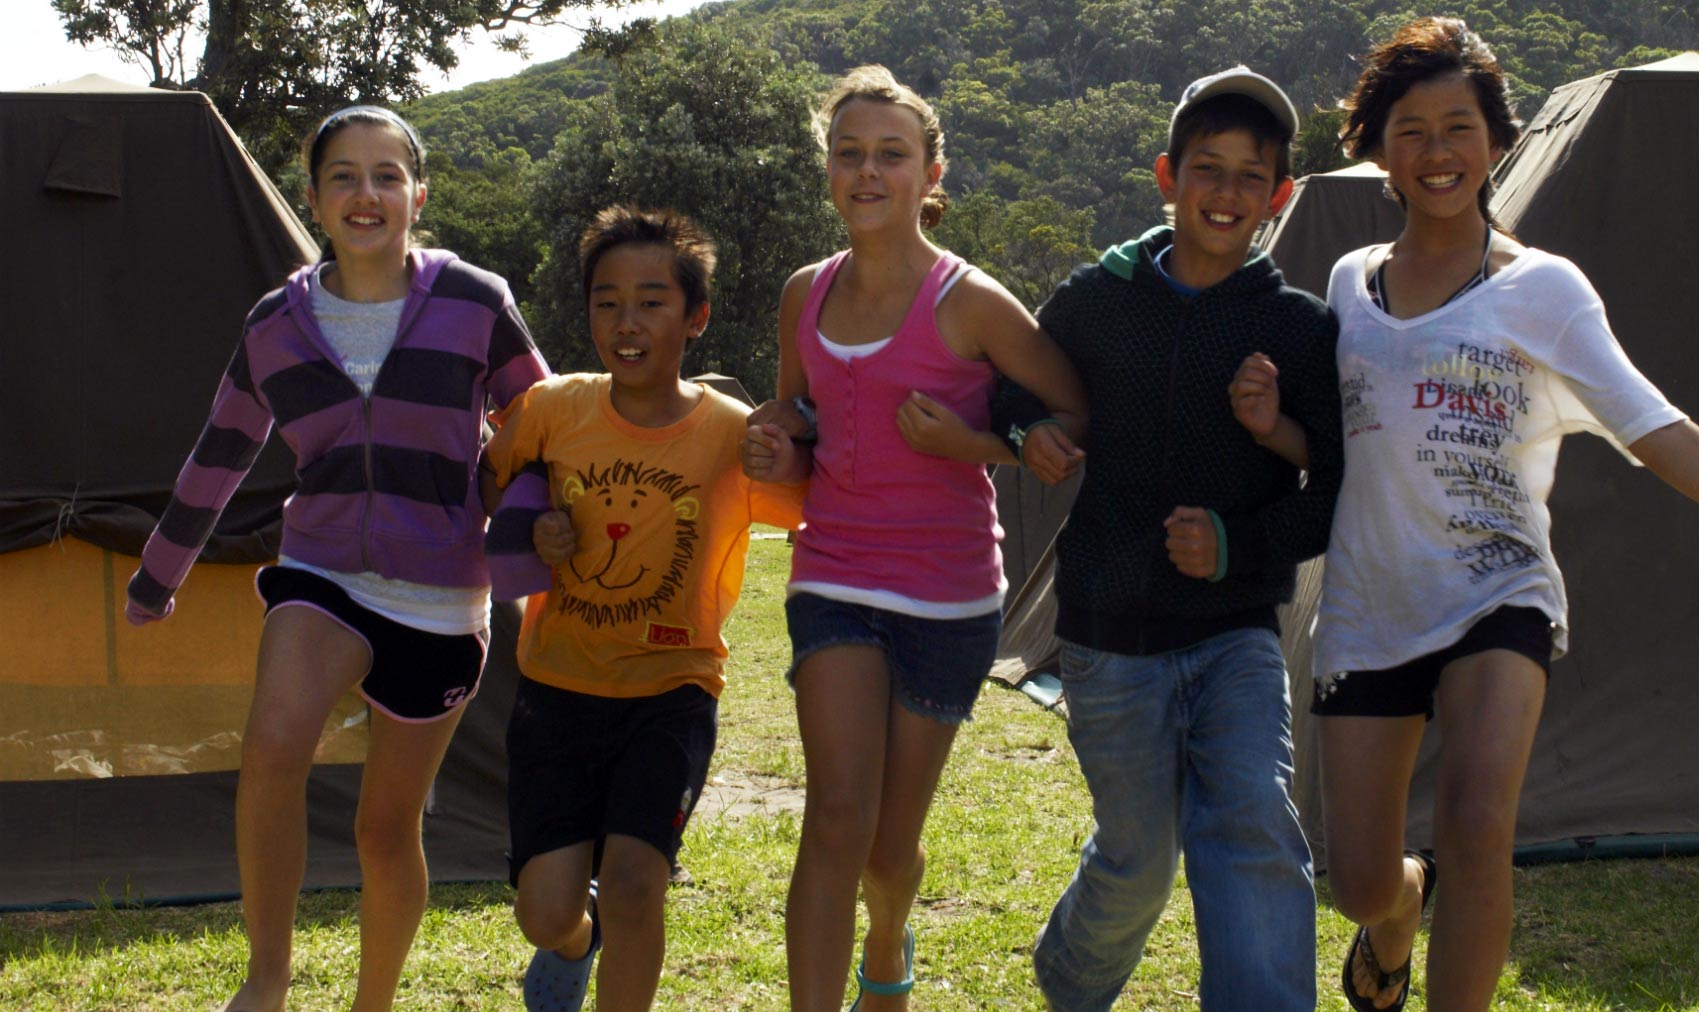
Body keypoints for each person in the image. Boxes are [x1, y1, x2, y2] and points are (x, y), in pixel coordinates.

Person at [1307, 17, 1699, 1012]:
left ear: (1497, 142)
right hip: (1369, 606)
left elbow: (1652, 424)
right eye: (1411, 130)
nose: (1438, 151)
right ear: (1378, 149)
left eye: (1460, 126)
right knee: (1356, 878)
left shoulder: (1542, 289)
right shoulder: (1347, 287)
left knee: (1479, 818)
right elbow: (1328, 445)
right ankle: (1400, 910)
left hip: (1499, 593)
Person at [124, 104, 549, 1012]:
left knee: (385, 828)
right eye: (345, 176)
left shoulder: (476, 301)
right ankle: (267, 983)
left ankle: (372, 1003)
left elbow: (543, 428)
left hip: (441, 597)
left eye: (387, 174)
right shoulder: (277, 322)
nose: (367, 193)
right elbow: (223, 449)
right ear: (314, 199)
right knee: (272, 749)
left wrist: (528, 554)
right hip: (322, 571)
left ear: (417, 195)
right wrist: (159, 573)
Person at [739, 64, 1087, 1012]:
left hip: (949, 594)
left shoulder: (971, 301)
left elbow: (1074, 408)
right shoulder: (802, 292)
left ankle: (887, 947)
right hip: (834, 574)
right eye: (848, 153)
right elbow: (797, 405)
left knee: (890, 852)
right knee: (835, 817)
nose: (867, 171)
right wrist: (776, 435)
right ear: (828, 170)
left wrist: (977, 442)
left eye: (891, 155)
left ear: (932, 174)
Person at [998, 66, 1343, 1012]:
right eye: (1207, 168)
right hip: (1109, 637)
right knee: (1138, 860)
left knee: (1255, 825)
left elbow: (1333, 490)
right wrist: (1033, 434)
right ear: (1167, 175)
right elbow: (1013, 382)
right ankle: (1070, 981)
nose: (1225, 192)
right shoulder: (1097, 299)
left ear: (1277, 196)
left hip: (1236, 631)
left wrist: (1235, 544)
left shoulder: (1298, 327)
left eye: (1249, 176)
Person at [482, 204, 807, 1012]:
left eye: (653, 301)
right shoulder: (553, 408)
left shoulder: (732, 433)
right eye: (607, 301)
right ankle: (576, 940)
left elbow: (805, 506)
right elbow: (487, 488)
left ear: (695, 317)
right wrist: (535, 527)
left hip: (673, 693)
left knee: (635, 883)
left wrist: (791, 449)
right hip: (557, 692)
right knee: (544, 910)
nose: (628, 323)